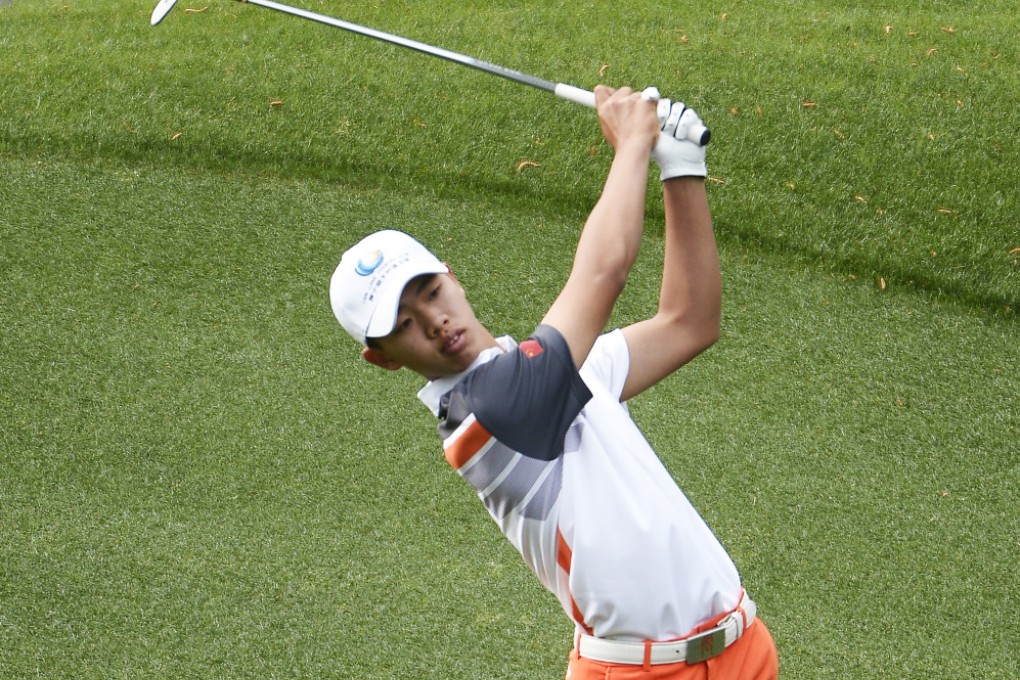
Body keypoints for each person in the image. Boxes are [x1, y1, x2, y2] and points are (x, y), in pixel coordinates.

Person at [329, 85, 779, 679]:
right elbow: (605, 270)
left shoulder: (559, 371)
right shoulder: (488, 414)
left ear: (453, 279)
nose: (435, 323)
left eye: (431, 293)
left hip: (743, 649)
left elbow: (689, 322)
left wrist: (681, 169)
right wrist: (634, 144)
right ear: (384, 359)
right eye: (404, 325)